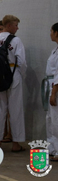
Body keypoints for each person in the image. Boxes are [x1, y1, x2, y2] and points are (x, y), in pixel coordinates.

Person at [0, 15, 27, 152]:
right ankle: (16, 144)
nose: (17, 28)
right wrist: (21, 75)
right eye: (15, 25)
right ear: (8, 25)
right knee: (15, 110)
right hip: (13, 75)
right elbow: (22, 61)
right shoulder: (16, 40)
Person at [46, 23, 58, 161]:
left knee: (56, 120)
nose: (50, 33)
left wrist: (54, 93)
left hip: (55, 86)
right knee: (50, 119)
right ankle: (52, 148)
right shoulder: (55, 50)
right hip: (50, 84)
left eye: (51, 31)